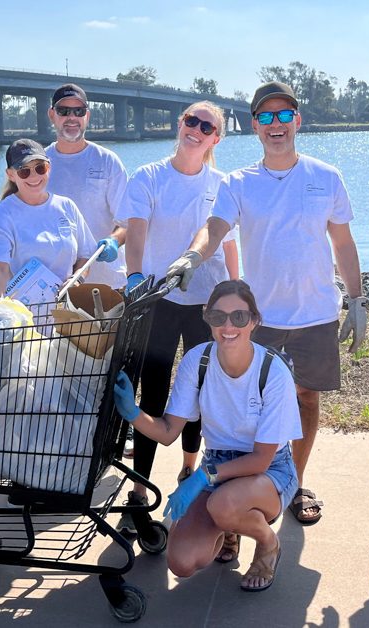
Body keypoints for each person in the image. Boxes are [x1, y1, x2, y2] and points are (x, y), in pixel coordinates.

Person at [165, 81, 367, 526]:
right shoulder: (240, 182)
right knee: (252, 408)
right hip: (262, 320)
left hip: (315, 313)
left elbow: (344, 242)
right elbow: (215, 228)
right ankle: (248, 486)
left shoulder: (326, 176)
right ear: (255, 125)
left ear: (297, 120)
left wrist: (357, 299)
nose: (276, 125)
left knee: (306, 400)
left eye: (284, 115)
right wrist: (192, 256)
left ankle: (294, 481)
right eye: (266, 117)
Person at [113, 280, 301, 592]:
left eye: (239, 317)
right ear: (207, 318)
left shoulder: (273, 372)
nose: (228, 326)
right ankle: (230, 528)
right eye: (218, 317)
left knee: (223, 506)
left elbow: (261, 458)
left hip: (269, 472)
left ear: (254, 321)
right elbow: (168, 432)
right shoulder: (197, 361)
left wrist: (202, 477)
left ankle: (268, 544)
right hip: (217, 466)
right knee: (182, 562)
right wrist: (133, 412)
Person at [114, 101, 238, 536]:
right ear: (180, 124)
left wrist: (237, 295)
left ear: (216, 139)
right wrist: (133, 276)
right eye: (192, 121)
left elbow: (228, 245)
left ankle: (189, 468)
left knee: (201, 392)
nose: (197, 130)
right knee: (152, 390)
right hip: (158, 300)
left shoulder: (222, 184)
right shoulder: (148, 177)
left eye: (207, 127)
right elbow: (137, 232)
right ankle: (140, 488)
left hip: (207, 303)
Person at [0, 138, 98, 297]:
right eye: (24, 170)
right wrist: (0, 311)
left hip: (65, 311)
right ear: (11, 175)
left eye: (40, 168)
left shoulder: (66, 206)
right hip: (22, 315)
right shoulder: (1, 214)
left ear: (49, 167)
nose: (33, 176)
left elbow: (86, 255)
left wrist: (76, 280)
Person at [44, 83, 128, 289]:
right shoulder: (39, 164)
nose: (71, 117)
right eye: (63, 111)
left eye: (78, 111)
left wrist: (114, 241)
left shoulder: (108, 161)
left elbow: (128, 220)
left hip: (107, 281)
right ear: (52, 115)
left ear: (87, 116)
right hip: (56, 283)